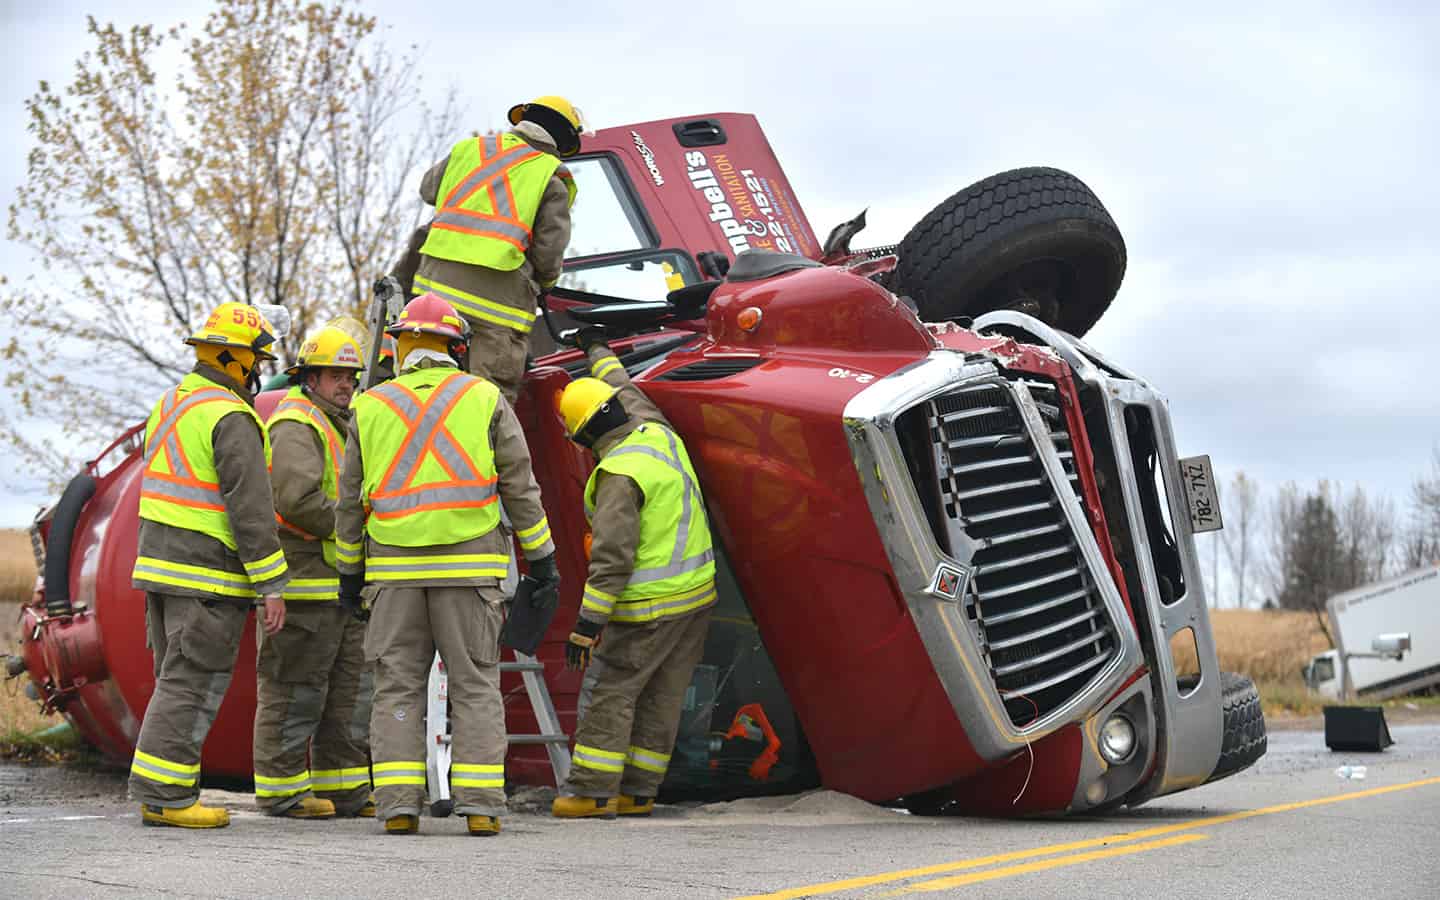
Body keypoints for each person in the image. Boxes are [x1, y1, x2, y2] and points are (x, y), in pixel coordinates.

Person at [335, 293, 560, 836]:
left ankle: (397, 808)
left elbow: (348, 503)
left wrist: (349, 573)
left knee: (397, 688)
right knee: (476, 683)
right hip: (469, 571)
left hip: (391, 576)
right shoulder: (483, 398)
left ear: (399, 346)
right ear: (456, 349)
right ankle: (481, 806)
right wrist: (544, 560)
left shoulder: (370, 406)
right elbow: (520, 488)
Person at [128, 302, 291, 829]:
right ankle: (166, 797)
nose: (261, 369)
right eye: (257, 359)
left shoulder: (171, 403)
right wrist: (271, 584)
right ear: (237, 360)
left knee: (174, 680)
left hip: (162, 568)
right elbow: (251, 510)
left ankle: (165, 792)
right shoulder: (230, 415)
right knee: (191, 683)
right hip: (207, 574)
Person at [551, 328, 717, 819]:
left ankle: (591, 792)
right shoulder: (655, 432)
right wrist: (596, 349)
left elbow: (612, 561)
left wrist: (586, 628)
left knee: (610, 692)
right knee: (664, 694)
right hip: (697, 597)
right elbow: (623, 387)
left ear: (583, 436)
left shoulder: (618, 475)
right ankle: (640, 791)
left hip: (648, 607)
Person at [252, 325, 374, 819]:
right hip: (304, 587)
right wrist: (357, 529)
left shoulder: (344, 422)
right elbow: (297, 500)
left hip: (341, 590)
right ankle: (281, 791)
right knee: (294, 693)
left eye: (350, 375)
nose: (345, 383)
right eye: (335, 375)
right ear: (309, 377)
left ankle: (344, 790)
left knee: (347, 697)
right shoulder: (296, 422)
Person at [390, 95, 582, 402]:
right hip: (497, 306)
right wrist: (544, 284)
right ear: (563, 139)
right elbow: (548, 253)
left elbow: (429, 190)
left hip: (434, 291)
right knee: (486, 399)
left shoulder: (470, 149)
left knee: (420, 388)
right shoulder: (551, 177)